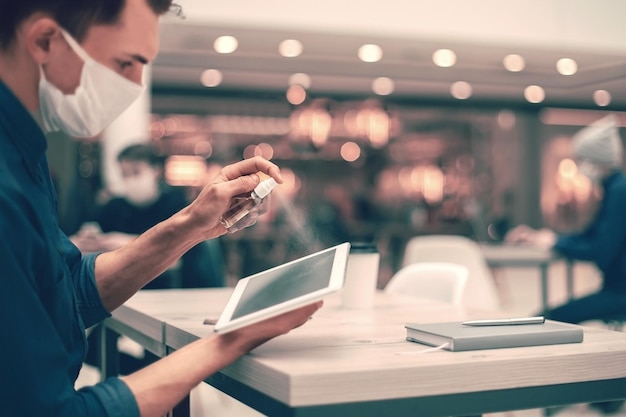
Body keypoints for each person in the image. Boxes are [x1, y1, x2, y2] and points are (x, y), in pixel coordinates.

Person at [0, 2, 322, 417]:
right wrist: (231, 341)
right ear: (46, 41)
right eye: (126, 63)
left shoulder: (25, 152)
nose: (135, 85)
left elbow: (67, 291)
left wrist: (193, 223)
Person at [505, 115, 626, 413]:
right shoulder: (615, 189)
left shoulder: (620, 192)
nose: (581, 167)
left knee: (550, 318)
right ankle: (606, 399)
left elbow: (600, 248)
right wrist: (553, 238)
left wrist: (557, 243)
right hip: (616, 287)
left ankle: (555, 396)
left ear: (595, 159)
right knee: (561, 316)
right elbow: (594, 235)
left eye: (582, 159)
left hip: (620, 292)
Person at [73, 143, 225, 289]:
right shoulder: (114, 207)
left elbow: (180, 254)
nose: (130, 180)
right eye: (124, 174)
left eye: (136, 172)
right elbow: (90, 236)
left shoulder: (176, 203)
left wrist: (126, 243)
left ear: (155, 171)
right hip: (125, 288)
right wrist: (90, 236)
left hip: (171, 290)